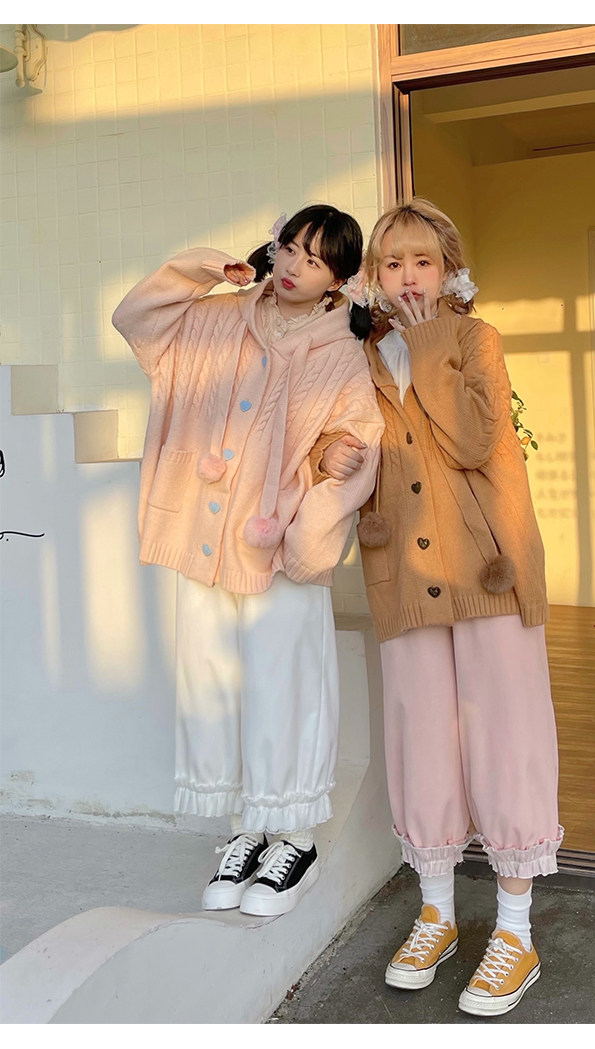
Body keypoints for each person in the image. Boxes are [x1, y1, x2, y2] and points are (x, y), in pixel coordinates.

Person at [112, 205, 383, 917]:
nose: (293, 266)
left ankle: (294, 836)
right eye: (288, 248)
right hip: (204, 536)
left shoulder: (341, 351)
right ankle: (245, 830)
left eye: (314, 260)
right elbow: (135, 318)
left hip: (277, 544)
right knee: (214, 682)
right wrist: (206, 269)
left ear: (337, 280)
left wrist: (325, 472)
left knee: (284, 682)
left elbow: (355, 440)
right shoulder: (219, 317)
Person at [352, 198, 562, 1016]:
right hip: (405, 572)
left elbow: (476, 440)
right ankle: (436, 912)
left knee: (506, 733)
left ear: (448, 269)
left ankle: (515, 930)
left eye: (423, 261)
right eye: (393, 262)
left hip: (489, 568)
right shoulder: (363, 355)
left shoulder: (475, 339)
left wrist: (429, 341)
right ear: (375, 274)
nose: (408, 276)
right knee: (421, 737)